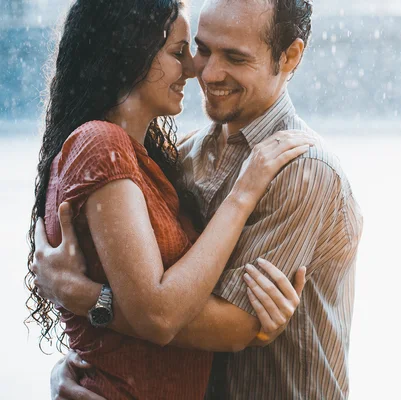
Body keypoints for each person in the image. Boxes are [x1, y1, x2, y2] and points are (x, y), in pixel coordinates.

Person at [33, 0, 363, 399]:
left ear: (290, 56)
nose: (205, 71)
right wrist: (78, 366)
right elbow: (144, 297)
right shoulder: (182, 157)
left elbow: (227, 325)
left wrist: (82, 297)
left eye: (235, 58)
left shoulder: (302, 173)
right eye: (200, 49)